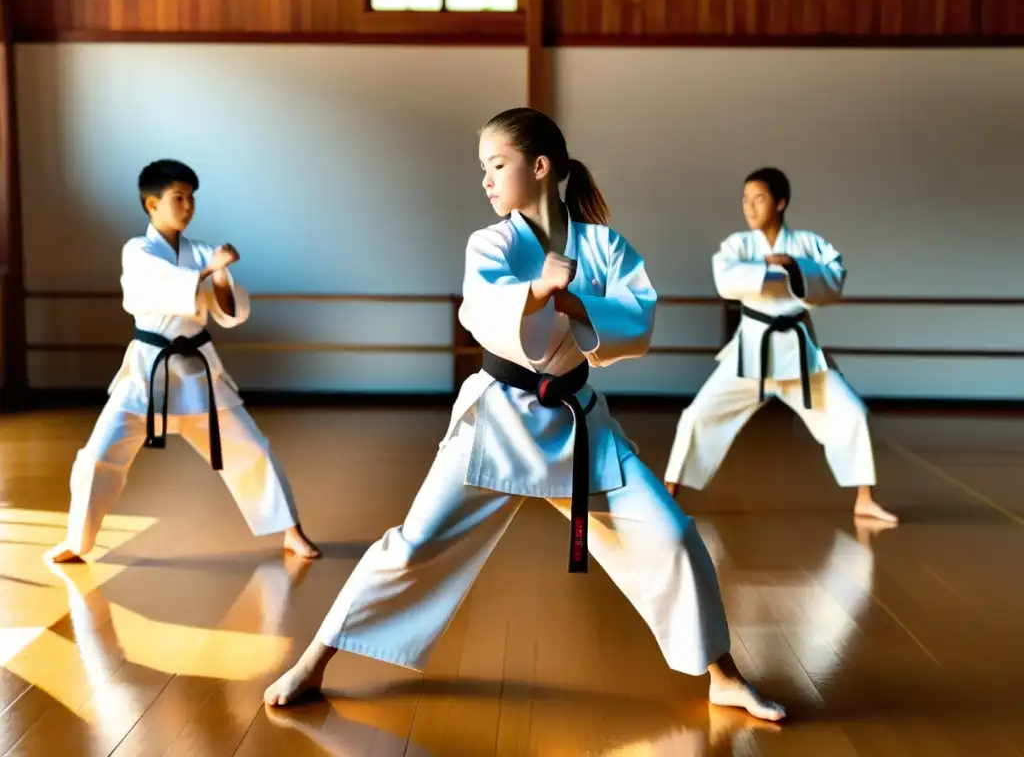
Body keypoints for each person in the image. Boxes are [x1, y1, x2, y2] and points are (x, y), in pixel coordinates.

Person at [263, 108, 786, 722]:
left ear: (540, 167)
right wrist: (536, 292)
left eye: (496, 165)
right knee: (412, 546)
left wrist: (568, 295)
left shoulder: (605, 244)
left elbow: (638, 320)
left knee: (671, 534)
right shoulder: (490, 243)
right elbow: (484, 311)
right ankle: (313, 662)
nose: (485, 180)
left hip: (578, 423)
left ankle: (722, 675)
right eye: (482, 168)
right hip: (497, 420)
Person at [44, 159, 320, 564]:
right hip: (147, 370)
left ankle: (290, 531)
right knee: (99, 455)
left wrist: (221, 275)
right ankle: (78, 541)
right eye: (178, 198)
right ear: (151, 204)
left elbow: (227, 312)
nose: (188, 206)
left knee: (251, 449)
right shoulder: (138, 251)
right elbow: (155, 288)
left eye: (191, 198)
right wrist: (210, 268)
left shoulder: (202, 251)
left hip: (196, 371)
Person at [663, 167, 897, 523]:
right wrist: (773, 271)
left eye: (759, 199)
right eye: (745, 199)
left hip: (800, 355)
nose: (749, 207)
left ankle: (864, 498)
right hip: (751, 353)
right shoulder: (737, 245)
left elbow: (834, 278)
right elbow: (726, 280)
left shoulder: (807, 243)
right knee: (697, 415)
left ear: (781, 202)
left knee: (852, 413)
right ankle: (668, 495)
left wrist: (793, 266)